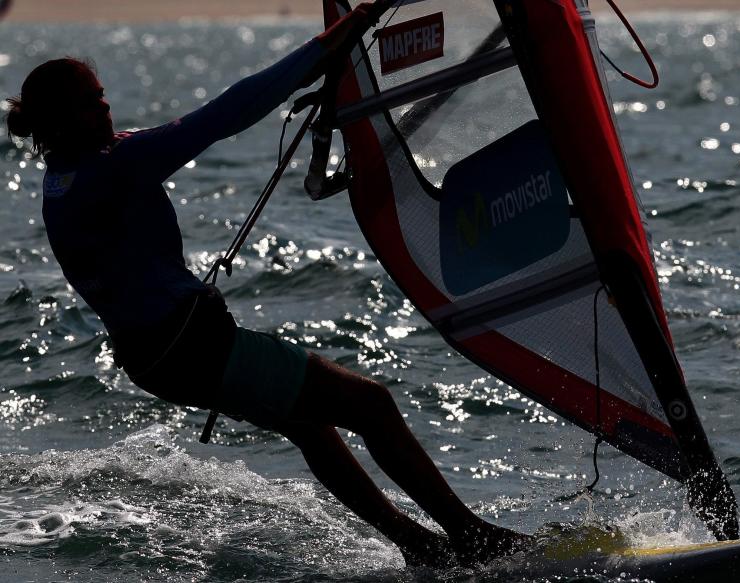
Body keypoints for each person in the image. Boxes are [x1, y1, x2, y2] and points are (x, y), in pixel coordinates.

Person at [4, 2, 529, 568]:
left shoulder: (67, 176)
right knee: (371, 405)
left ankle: (421, 546)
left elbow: (160, 143)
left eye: (102, 93)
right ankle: (472, 540)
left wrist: (322, 74)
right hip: (194, 350)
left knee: (311, 426)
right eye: (90, 101)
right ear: (60, 120)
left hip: (158, 359)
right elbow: (224, 115)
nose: (104, 105)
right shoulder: (113, 167)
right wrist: (324, 50)